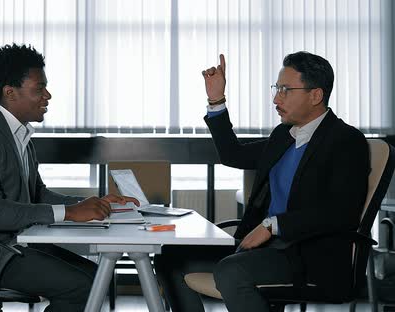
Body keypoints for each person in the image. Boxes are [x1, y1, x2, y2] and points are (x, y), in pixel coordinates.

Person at [0, 43, 139, 312]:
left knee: (99, 277)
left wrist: (95, 204)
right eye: (39, 88)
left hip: (9, 247)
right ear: (10, 93)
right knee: (83, 287)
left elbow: (37, 194)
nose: (47, 95)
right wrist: (70, 213)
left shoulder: (20, 136)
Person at [154, 51, 369, 312]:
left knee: (232, 271)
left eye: (285, 90)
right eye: (277, 88)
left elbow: (341, 213)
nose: (276, 98)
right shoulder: (284, 135)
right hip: (264, 249)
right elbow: (233, 154)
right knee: (169, 258)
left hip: (308, 257)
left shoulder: (346, 141)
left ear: (315, 95)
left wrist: (271, 226)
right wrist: (216, 100)